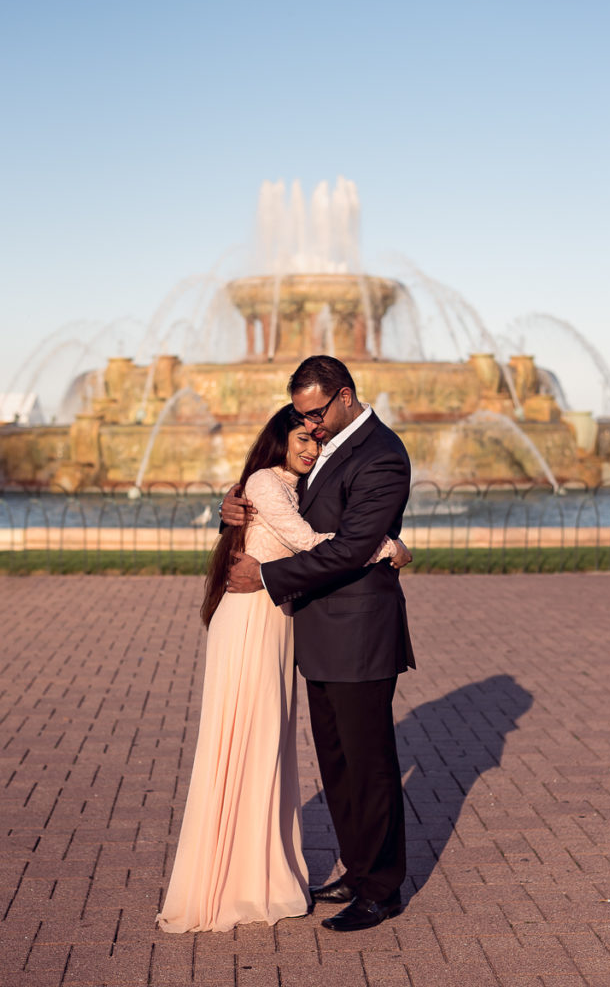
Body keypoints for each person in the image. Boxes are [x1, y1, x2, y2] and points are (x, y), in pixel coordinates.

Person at [156, 405, 408, 934]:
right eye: (303, 435)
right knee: (247, 744)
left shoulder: (353, 461)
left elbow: (287, 523)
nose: (313, 446)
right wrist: (383, 546)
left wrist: (236, 505)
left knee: (272, 749)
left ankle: (320, 876)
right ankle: (241, 878)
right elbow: (305, 539)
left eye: (317, 434)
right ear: (281, 439)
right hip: (253, 622)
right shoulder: (270, 479)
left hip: (288, 625)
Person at [223, 355, 415, 933]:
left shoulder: (382, 454)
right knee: (336, 763)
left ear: (346, 396)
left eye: (316, 413)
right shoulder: (322, 448)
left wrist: (268, 577)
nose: (310, 427)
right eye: (303, 417)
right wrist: (234, 507)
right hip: (317, 630)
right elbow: (279, 504)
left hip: (360, 631)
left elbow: (351, 546)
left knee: (370, 763)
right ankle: (358, 871)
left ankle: (382, 890)